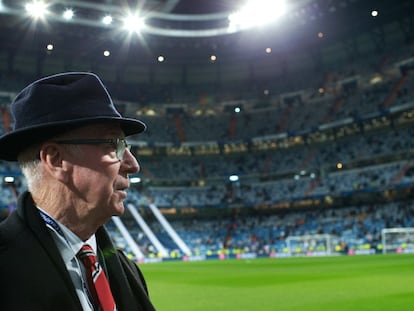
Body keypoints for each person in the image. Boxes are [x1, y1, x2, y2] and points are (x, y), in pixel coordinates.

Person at [0, 72, 156, 311]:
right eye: (113, 145)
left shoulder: (128, 271)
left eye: (126, 146)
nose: (133, 165)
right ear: (56, 160)